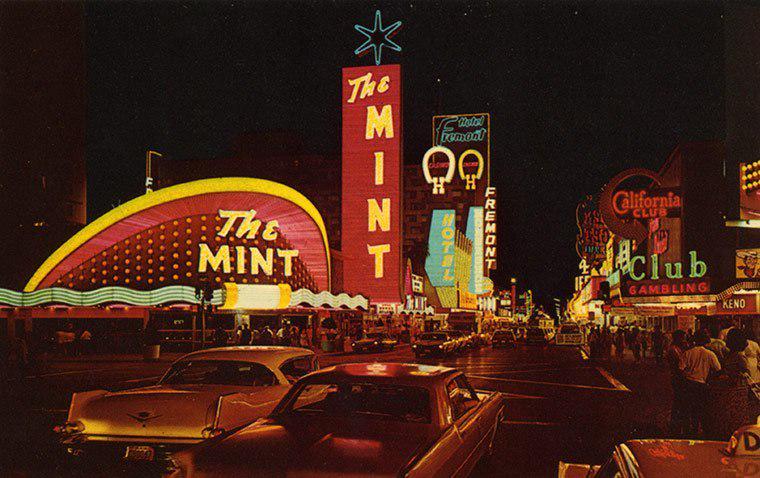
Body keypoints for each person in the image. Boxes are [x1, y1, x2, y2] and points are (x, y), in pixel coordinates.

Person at [680, 330, 721, 437]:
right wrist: (709, 380)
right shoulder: (710, 354)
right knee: (702, 409)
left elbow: (680, 369)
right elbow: (718, 370)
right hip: (702, 385)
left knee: (689, 409)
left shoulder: (688, 353)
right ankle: (703, 431)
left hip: (688, 384)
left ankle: (691, 431)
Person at [666, 329, 688, 436]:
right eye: (683, 338)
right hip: (678, 378)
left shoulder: (677, 349)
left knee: (679, 400)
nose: (685, 340)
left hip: (678, 377)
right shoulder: (673, 350)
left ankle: (676, 423)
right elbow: (678, 366)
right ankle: (675, 424)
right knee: (678, 400)